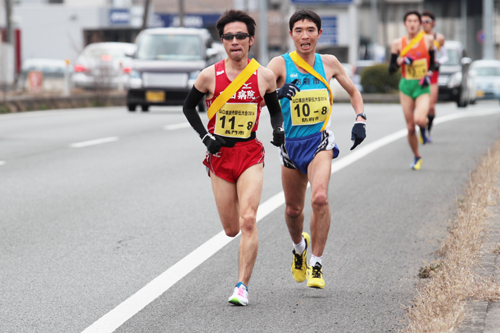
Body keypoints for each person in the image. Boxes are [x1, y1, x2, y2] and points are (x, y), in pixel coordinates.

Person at [182, 10, 285, 306]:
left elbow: (275, 110)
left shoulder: (263, 76)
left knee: (249, 219)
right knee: (231, 229)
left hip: (250, 154)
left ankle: (242, 286)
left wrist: (278, 130)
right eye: (229, 36)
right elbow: (189, 108)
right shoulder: (209, 76)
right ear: (222, 41)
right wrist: (205, 137)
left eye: (241, 36)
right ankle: (240, 240)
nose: (235, 41)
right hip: (220, 157)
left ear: (251, 40)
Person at [267, 9, 366, 289]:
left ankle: (317, 264)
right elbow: (256, 99)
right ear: (291, 35)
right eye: (298, 30)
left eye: (310, 30)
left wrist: (361, 119)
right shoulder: (279, 64)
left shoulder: (330, 63)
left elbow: (354, 92)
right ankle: (300, 249)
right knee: (293, 210)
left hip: (319, 141)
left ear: (319, 34)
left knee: (320, 198)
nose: (305, 35)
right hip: (290, 146)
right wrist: (276, 94)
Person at [389, 10, 436, 170]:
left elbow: (434, 63)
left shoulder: (428, 40)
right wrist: (400, 61)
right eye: (409, 21)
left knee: (420, 120)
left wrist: (429, 74)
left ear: (420, 24)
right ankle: (417, 156)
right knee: (410, 127)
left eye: (415, 21)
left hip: (422, 86)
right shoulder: (397, 43)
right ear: (405, 24)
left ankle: (423, 128)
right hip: (406, 86)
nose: (412, 24)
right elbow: (390, 69)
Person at [421, 10, 447, 143]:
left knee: (431, 106)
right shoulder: (417, 37)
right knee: (420, 104)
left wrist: (438, 63)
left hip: (434, 73)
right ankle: (421, 128)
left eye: (427, 21)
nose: (424, 24)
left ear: (433, 23)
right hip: (420, 72)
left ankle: (427, 130)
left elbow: (445, 56)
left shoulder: (439, 38)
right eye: (422, 21)